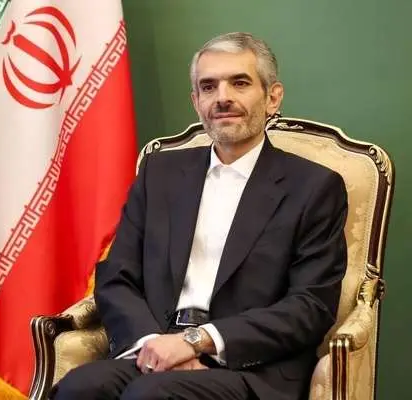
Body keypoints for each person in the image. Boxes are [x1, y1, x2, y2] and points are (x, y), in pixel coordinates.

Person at [50, 32, 348, 400]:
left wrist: (197, 341)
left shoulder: (314, 187)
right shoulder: (159, 174)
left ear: (272, 98)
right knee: (80, 387)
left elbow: (310, 305)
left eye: (240, 83)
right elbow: (116, 277)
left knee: (150, 395)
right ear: (196, 102)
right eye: (208, 86)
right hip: (156, 347)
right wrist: (155, 346)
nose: (223, 97)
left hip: (250, 367)